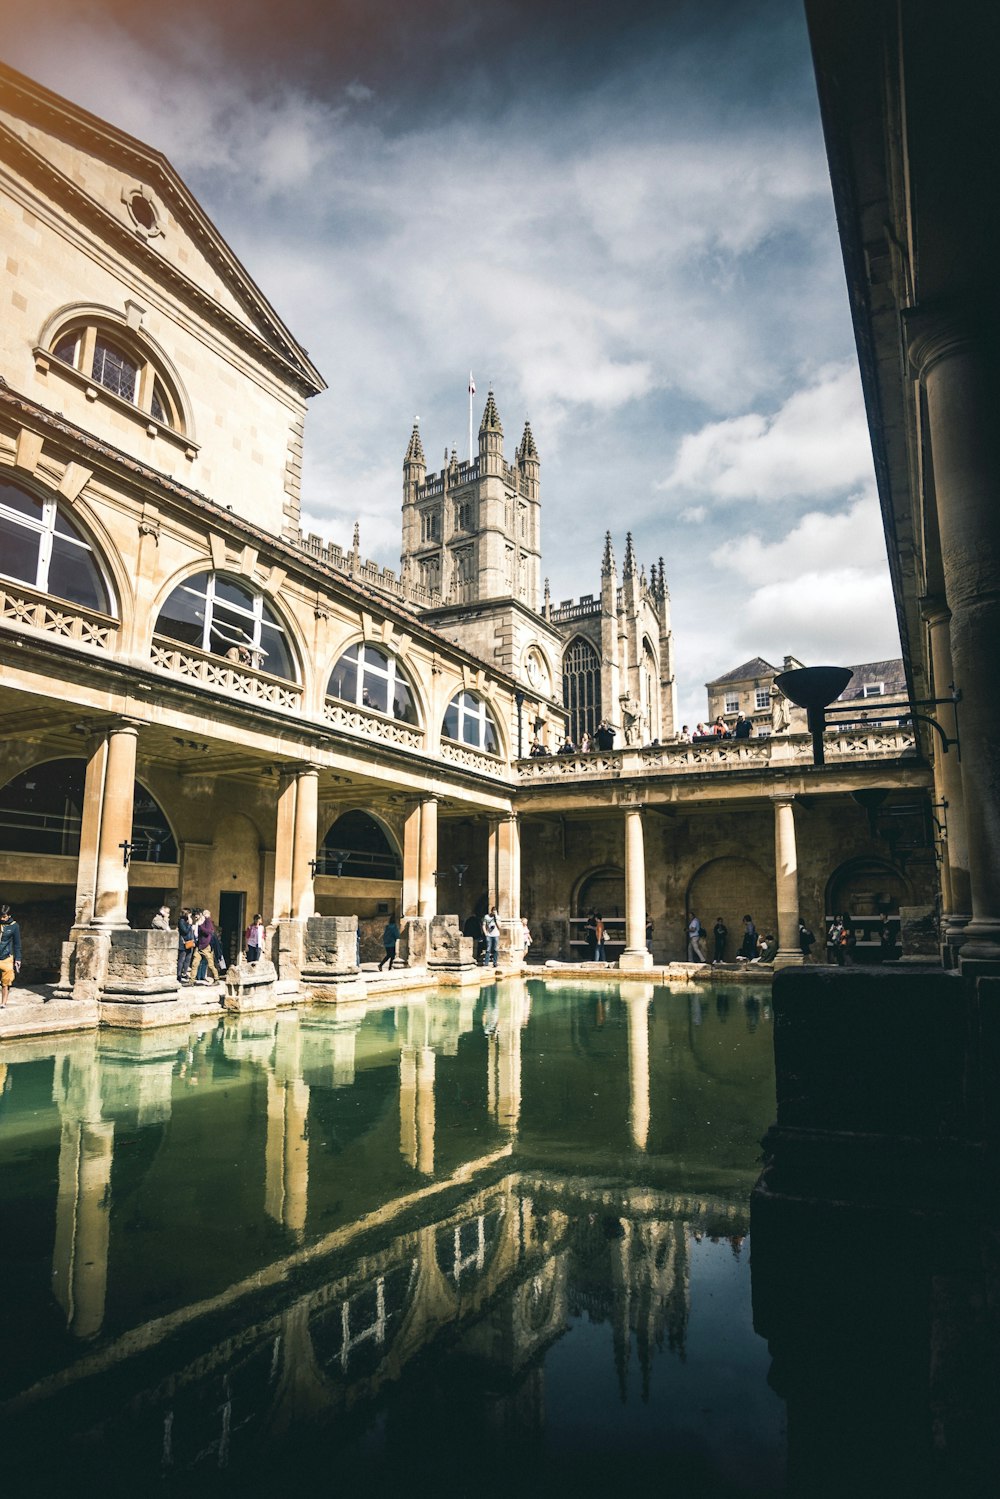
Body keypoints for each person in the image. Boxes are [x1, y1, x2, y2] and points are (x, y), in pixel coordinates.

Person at [0, 904, 22, 1007]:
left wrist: (18, 959)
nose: (2, 918)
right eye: (0, 916)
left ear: (9, 915)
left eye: (4, 916)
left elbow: (17, 944)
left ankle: (3, 1003)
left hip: (6, 957)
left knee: (6, 982)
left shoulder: (14, 926)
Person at [192, 907, 219, 985]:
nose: (196, 918)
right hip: (199, 945)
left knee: (210, 964)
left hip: (206, 946)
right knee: (195, 963)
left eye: (197, 916)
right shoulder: (198, 922)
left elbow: (208, 932)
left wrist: (200, 927)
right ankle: (192, 980)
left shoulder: (207, 921)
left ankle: (216, 979)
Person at [177, 907, 196, 982]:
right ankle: (179, 975)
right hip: (183, 942)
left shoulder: (187, 921)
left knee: (188, 959)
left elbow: (190, 932)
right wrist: (190, 924)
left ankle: (184, 973)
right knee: (182, 959)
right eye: (189, 914)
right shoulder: (181, 921)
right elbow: (185, 931)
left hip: (190, 942)